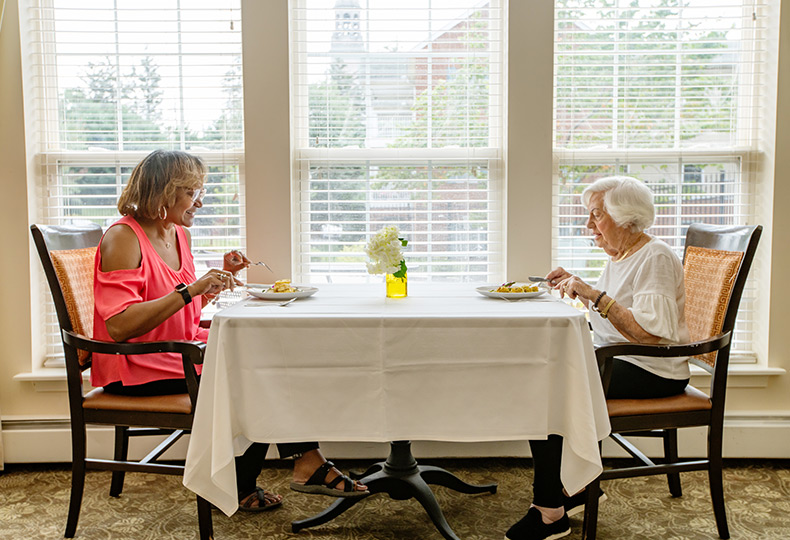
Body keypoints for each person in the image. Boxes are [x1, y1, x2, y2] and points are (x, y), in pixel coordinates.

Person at [92, 150, 367, 513]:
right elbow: (119, 326)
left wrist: (208, 287)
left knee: (272, 356)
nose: (200, 202)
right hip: (135, 366)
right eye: (191, 193)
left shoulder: (177, 235)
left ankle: (297, 463)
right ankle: (289, 467)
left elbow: (176, 314)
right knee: (254, 375)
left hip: (176, 351)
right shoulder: (123, 238)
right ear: (164, 192)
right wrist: (190, 289)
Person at [505, 176, 690, 540]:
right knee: (543, 376)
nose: (589, 226)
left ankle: (550, 511)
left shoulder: (654, 257)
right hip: (622, 360)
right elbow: (621, 315)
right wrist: (581, 286)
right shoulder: (624, 256)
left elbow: (653, 334)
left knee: (547, 388)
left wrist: (594, 295)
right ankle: (575, 488)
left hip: (653, 369)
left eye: (595, 216)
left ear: (625, 218)